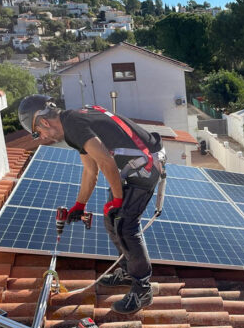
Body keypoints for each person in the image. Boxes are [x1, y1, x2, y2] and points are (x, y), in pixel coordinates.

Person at [18, 95, 164, 314]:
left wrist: (117, 200)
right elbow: (90, 170)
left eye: (38, 133)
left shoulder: (74, 125)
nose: (42, 137)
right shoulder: (72, 123)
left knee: (125, 225)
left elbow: (106, 161)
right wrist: (80, 205)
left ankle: (142, 289)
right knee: (111, 220)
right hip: (136, 166)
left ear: (44, 122)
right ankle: (126, 271)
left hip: (145, 168)